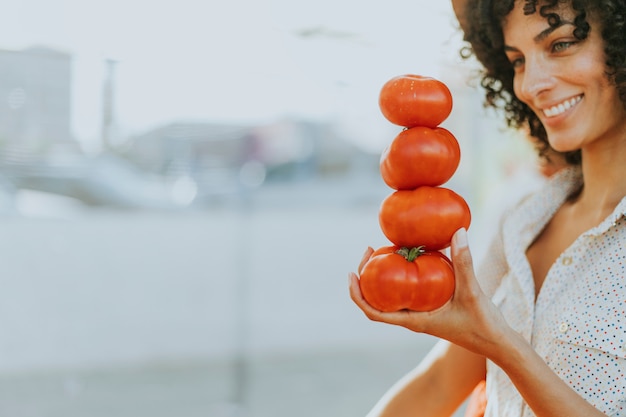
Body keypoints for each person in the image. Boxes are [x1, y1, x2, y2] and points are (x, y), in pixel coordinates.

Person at [348, 0, 626, 416]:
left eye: (561, 44)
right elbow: (440, 384)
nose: (530, 84)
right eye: (517, 61)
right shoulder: (525, 222)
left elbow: (491, 343)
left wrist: (501, 345)